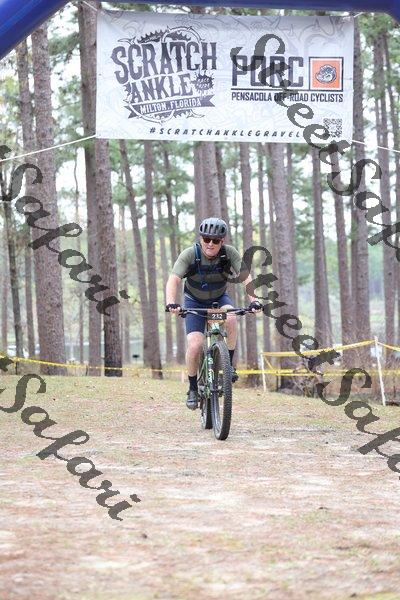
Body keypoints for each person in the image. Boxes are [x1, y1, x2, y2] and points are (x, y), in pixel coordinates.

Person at [165, 217, 263, 410]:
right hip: (194, 302)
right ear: (201, 239)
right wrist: (171, 303)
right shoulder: (190, 254)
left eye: (215, 240)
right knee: (195, 344)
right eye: (206, 239)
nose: (210, 243)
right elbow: (173, 279)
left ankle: (229, 366)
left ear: (222, 241)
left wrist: (255, 300)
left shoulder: (229, 253)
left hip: (219, 300)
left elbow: (246, 277)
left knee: (231, 318)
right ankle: (193, 388)